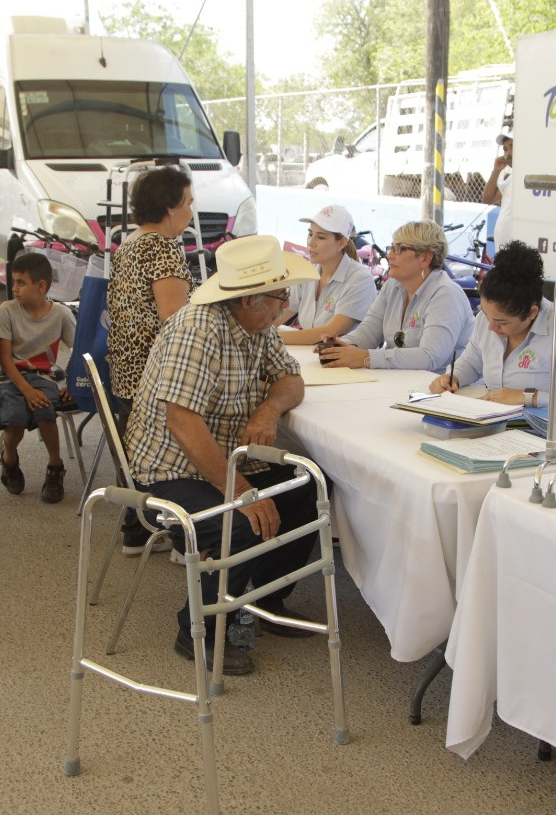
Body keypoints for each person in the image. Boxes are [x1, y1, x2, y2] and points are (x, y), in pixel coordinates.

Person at [125, 235, 320, 676]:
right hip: (168, 469)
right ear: (249, 299)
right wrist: (243, 491)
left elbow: (292, 380)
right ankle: (200, 630)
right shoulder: (200, 328)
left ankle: (262, 597)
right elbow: (182, 423)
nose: (284, 305)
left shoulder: (257, 326)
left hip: (223, 457)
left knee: (309, 489)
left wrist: (270, 408)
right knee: (240, 521)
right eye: (278, 296)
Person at [106, 165, 194, 555]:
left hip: (126, 375)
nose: (191, 212)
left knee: (138, 451)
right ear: (170, 208)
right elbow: (176, 322)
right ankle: (183, 537)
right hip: (153, 379)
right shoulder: (161, 247)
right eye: (188, 204)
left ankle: (136, 530)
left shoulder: (130, 243)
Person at [428, 241, 556, 415]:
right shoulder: (486, 320)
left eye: (502, 322)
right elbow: (472, 362)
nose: (491, 326)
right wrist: (452, 377)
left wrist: (528, 398)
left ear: (532, 313)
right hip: (495, 421)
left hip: (547, 432)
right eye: (486, 314)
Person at [319, 220, 473, 371]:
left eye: (400, 249)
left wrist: (366, 357)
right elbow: (368, 332)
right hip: (403, 382)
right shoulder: (392, 286)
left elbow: (430, 356)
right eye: (391, 247)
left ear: (426, 258)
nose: (390, 255)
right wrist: (340, 346)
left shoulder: (446, 294)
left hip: (442, 388)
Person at [0, 252, 76, 503]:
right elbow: (6, 360)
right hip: (10, 377)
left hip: (44, 377)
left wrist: (72, 382)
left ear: (41, 286)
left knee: (45, 412)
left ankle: (55, 466)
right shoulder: (7, 310)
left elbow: (80, 350)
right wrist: (26, 390)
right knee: (14, 419)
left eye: (21, 282)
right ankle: (9, 459)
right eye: (14, 281)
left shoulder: (61, 314)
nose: (14, 288)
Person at [276, 204, 376, 346]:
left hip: (345, 366)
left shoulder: (360, 280)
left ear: (341, 243)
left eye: (321, 237)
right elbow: (278, 316)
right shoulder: (308, 272)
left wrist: (273, 338)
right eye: (310, 234)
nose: (311, 242)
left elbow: (329, 333)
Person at [481, 130, 514, 250]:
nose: (508, 152)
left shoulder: (528, 176)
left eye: (512, 147)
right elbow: (488, 199)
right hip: (504, 247)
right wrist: (496, 171)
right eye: (505, 149)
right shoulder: (510, 177)